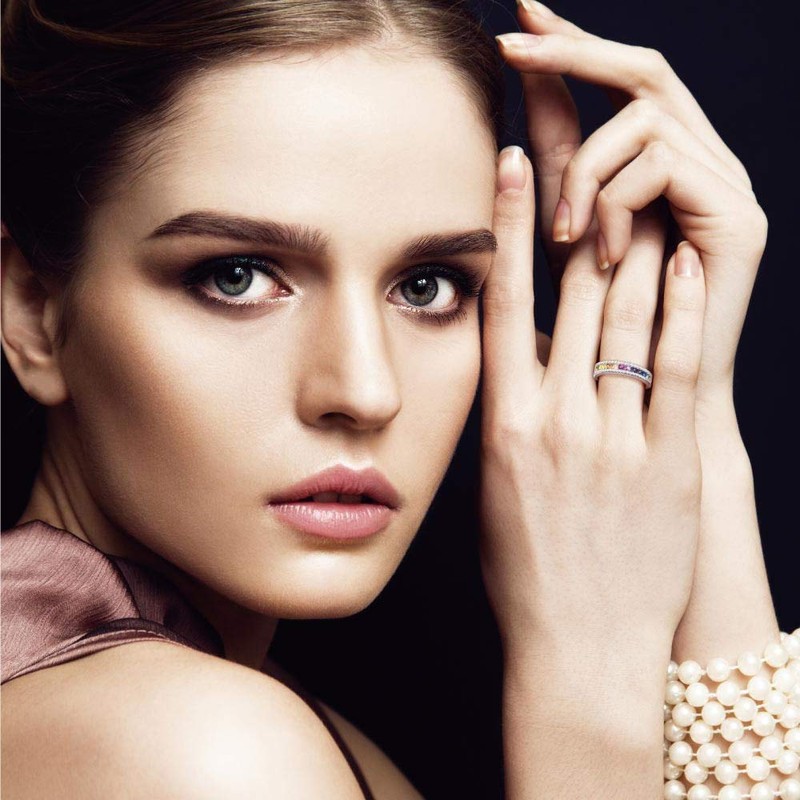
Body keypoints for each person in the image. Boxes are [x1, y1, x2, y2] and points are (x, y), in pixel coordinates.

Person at [1, 0, 791, 798]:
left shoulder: (261, 721)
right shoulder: (205, 752)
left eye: (426, 287)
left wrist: (690, 405)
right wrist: (589, 676)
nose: (366, 391)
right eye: (236, 277)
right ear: (32, 312)